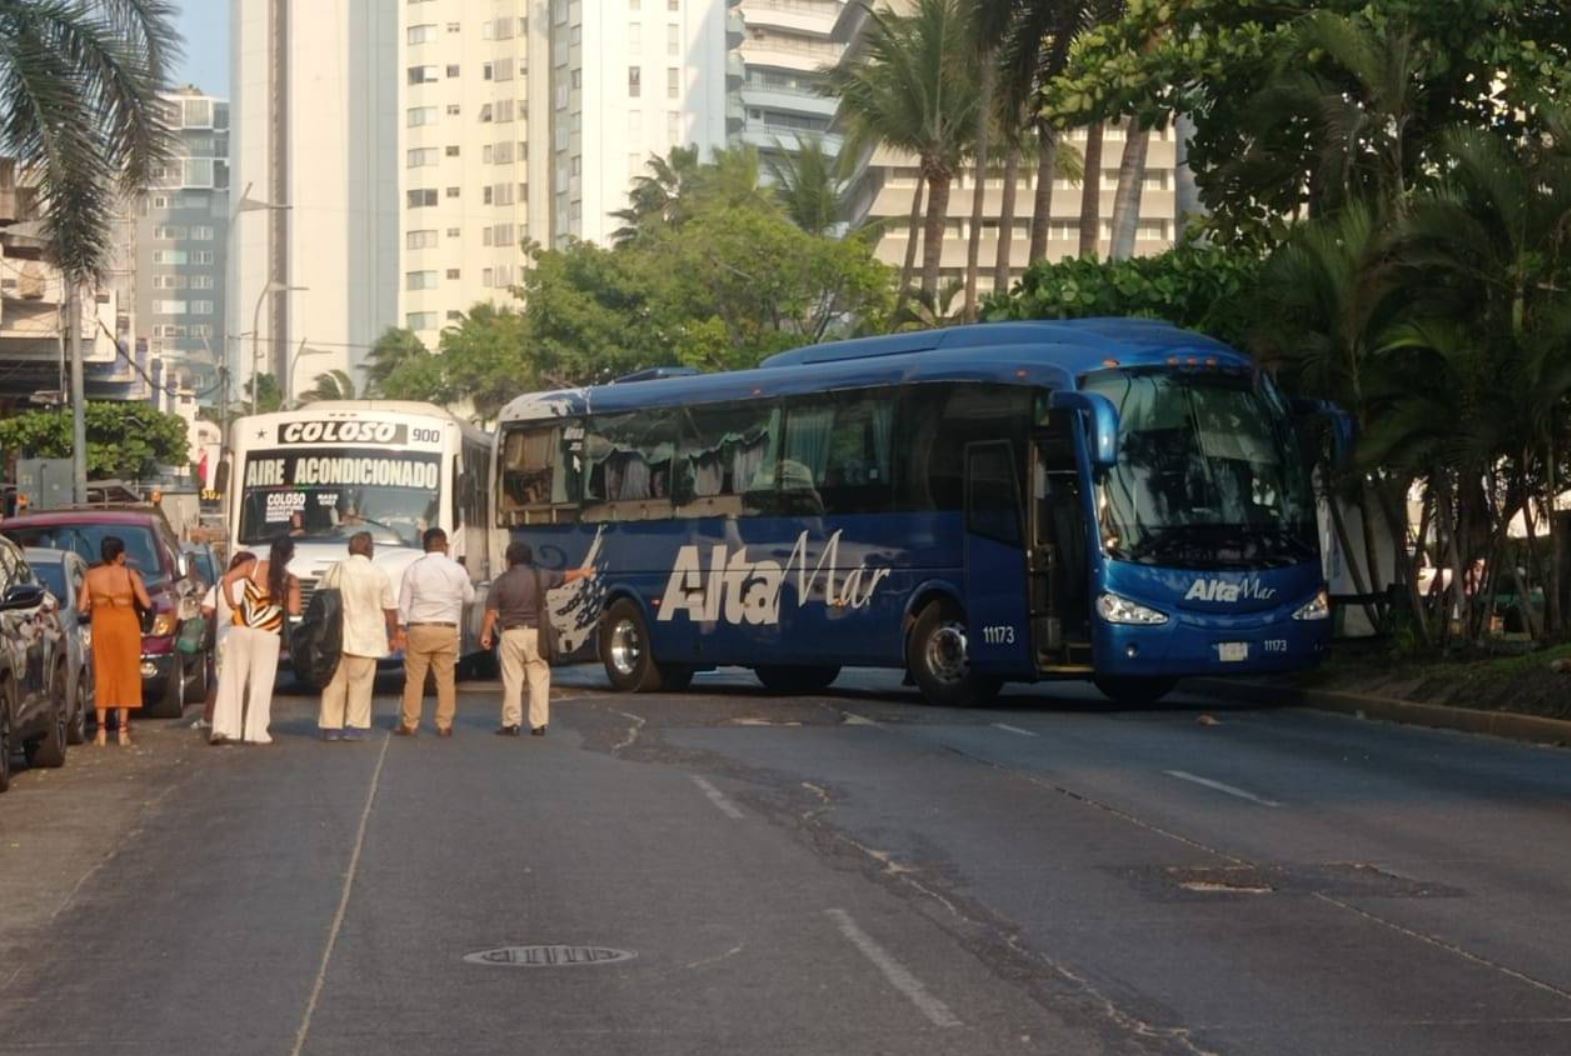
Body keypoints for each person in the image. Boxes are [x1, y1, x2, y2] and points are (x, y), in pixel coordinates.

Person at [480, 541, 594, 737]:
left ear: (509, 560)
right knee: (539, 677)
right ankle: (539, 724)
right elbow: (564, 577)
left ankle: (511, 723)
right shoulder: (540, 575)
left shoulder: (501, 581)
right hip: (536, 633)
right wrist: (582, 572)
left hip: (511, 633)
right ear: (529, 559)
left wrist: (486, 634)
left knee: (512, 679)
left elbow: (491, 611)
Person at [211, 537, 300, 745]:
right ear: (289, 556)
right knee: (261, 682)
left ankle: (225, 728)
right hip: (268, 633)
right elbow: (295, 610)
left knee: (231, 679)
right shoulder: (290, 580)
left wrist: (233, 602)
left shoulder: (252, 566)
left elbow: (227, 580)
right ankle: (255, 731)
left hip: (241, 628)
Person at [395, 527, 475, 737]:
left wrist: (401, 629)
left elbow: (404, 604)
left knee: (414, 679)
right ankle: (444, 723)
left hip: (419, 628)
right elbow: (470, 598)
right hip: (446, 629)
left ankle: (410, 723)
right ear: (445, 545)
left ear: (425, 545)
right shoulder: (457, 570)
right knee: (446, 678)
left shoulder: (413, 569)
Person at [319, 531, 398, 741]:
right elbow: (390, 609)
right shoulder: (379, 573)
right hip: (367, 638)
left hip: (336, 637)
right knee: (361, 684)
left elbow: (320, 599)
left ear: (350, 549)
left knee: (333, 683)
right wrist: (393, 635)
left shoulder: (336, 570)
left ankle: (331, 726)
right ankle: (355, 726)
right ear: (369, 550)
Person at [79, 536, 152, 747]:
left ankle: (101, 731)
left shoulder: (91, 575)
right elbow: (146, 603)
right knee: (126, 674)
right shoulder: (130, 575)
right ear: (120, 554)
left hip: (102, 625)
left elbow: (82, 606)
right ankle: (122, 731)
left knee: (103, 673)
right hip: (126, 625)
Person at [193, 550, 257, 731]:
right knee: (246, 681)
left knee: (221, 680)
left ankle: (214, 719)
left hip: (224, 637)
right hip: (247, 636)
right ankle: (242, 720)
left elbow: (206, 609)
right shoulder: (252, 585)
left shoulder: (221, 583)